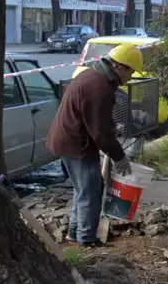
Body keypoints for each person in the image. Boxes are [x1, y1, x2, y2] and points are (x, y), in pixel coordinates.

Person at [46, 44, 140, 247]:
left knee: (83, 190)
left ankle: (74, 233)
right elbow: (100, 133)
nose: (131, 77)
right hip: (76, 144)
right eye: (131, 71)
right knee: (91, 192)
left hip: (68, 140)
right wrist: (119, 157)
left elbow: (96, 121)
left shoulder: (93, 76)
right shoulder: (99, 87)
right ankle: (87, 240)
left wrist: (111, 127)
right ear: (119, 66)